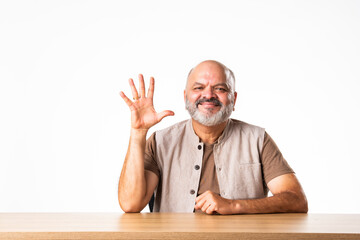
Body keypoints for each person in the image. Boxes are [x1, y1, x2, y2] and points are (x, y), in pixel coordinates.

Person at [118, 60, 308, 214]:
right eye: (198, 88)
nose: (208, 95)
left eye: (220, 89)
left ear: (234, 99)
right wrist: (138, 133)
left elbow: (297, 200)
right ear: (186, 97)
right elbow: (130, 204)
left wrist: (234, 205)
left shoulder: (258, 140)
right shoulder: (160, 141)